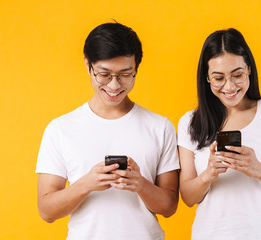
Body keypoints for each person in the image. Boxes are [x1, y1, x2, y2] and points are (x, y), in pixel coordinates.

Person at [36, 22, 179, 240]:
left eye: (125, 74)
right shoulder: (60, 129)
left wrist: (140, 184)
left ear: (136, 69)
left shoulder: (160, 126)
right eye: (103, 74)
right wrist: (86, 184)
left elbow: (169, 207)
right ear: (88, 65)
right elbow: (46, 211)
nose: (114, 85)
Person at [177, 28, 261, 240]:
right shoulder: (190, 122)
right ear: (207, 77)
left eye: (237, 75)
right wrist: (209, 174)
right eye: (218, 78)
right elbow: (187, 197)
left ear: (249, 69)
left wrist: (256, 168)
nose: (229, 86)